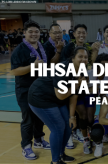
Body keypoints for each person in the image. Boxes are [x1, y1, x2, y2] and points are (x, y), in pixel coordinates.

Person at [28, 47, 88, 164]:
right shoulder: (63, 68)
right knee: (58, 127)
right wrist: (76, 84)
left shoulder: (82, 70)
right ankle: (55, 161)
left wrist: (72, 117)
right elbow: (61, 95)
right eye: (80, 56)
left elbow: (73, 96)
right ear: (73, 58)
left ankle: (61, 154)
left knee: (68, 126)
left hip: (57, 99)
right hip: (40, 97)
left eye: (85, 57)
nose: (83, 59)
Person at [10, 20, 50, 160]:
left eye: (36, 31)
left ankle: (39, 140)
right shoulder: (20, 50)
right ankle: (26, 146)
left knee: (40, 116)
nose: (34, 34)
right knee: (28, 119)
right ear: (25, 33)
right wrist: (32, 66)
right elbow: (14, 71)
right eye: (30, 31)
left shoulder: (41, 47)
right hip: (25, 90)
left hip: (40, 89)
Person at [69, 53, 108, 154]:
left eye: (107, 65)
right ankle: (85, 140)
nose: (104, 67)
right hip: (79, 94)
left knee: (90, 118)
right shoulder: (89, 72)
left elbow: (101, 92)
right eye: (102, 64)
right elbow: (82, 89)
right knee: (83, 116)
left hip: (90, 95)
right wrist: (96, 88)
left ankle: (92, 137)